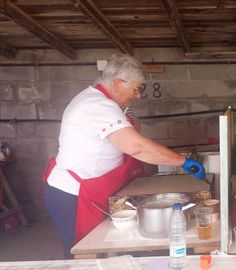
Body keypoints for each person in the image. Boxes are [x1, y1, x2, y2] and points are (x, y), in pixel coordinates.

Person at [42, 53, 206, 259]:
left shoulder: (101, 101)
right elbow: (137, 147)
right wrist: (182, 161)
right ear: (118, 83)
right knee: (81, 255)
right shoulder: (98, 106)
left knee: (97, 250)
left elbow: (130, 134)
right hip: (73, 194)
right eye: (136, 89)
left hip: (88, 189)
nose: (138, 95)